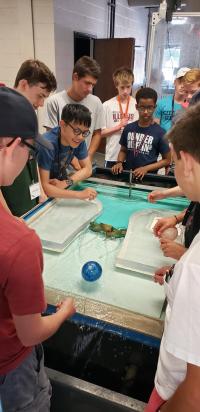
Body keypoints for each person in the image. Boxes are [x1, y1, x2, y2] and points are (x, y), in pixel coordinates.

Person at [0, 87, 75, 411]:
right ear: (12, 145)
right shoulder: (18, 244)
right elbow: (30, 334)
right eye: (30, 150)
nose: (31, 159)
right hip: (11, 371)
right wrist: (62, 313)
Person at [145, 103, 200, 412]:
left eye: (174, 161)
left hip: (175, 391)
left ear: (187, 162)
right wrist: (175, 276)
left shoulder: (195, 264)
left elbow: (194, 394)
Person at [1, 59, 57, 217]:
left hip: (30, 200)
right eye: (39, 96)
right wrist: (8, 219)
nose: (41, 104)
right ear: (24, 84)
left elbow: (32, 155)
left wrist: (40, 191)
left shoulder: (27, 113)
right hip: (12, 204)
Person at [43, 55, 104, 160]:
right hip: (60, 164)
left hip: (84, 163)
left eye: (93, 85)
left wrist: (87, 158)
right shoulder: (54, 102)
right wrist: (74, 162)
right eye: (87, 83)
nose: (90, 89)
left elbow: (97, 133)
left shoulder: (96, 102)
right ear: (75, 77)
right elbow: (52, 137)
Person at [37, 103, 97, 200]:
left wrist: (66, 183)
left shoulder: (78, 140)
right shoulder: (47, 145)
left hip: (58, 185)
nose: (81, 137)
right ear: (62, 125)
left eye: (85, 132)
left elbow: (88, 169)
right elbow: (44, 187)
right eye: (77, 131)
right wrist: (79, 195)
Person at [112, 87, 171, 179]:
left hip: (149, 178)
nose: (146, 112)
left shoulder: (160, 132)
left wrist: (146, 168)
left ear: (155, 107)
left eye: (150, 108)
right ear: (136, 107)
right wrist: (119, 163)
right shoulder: (128, 128)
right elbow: (123, 150)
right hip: (128, 176)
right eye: (142, 107)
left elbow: (167, 160)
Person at [101, 67, 138, 168]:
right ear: (116, 86)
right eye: (122, 87)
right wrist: (118, 127)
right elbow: (101, 133)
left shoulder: (137, 105)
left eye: (128, 87)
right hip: (112, 155)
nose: (125, 91)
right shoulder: (107, 105)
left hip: (131, 156)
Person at [154, 67, 190, 132]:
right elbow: (156, 128)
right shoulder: (161, 103)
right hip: (163, 140)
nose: (182, 86)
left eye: (185, 82)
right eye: (180, 81)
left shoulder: (192, 106)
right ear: (175, 82)